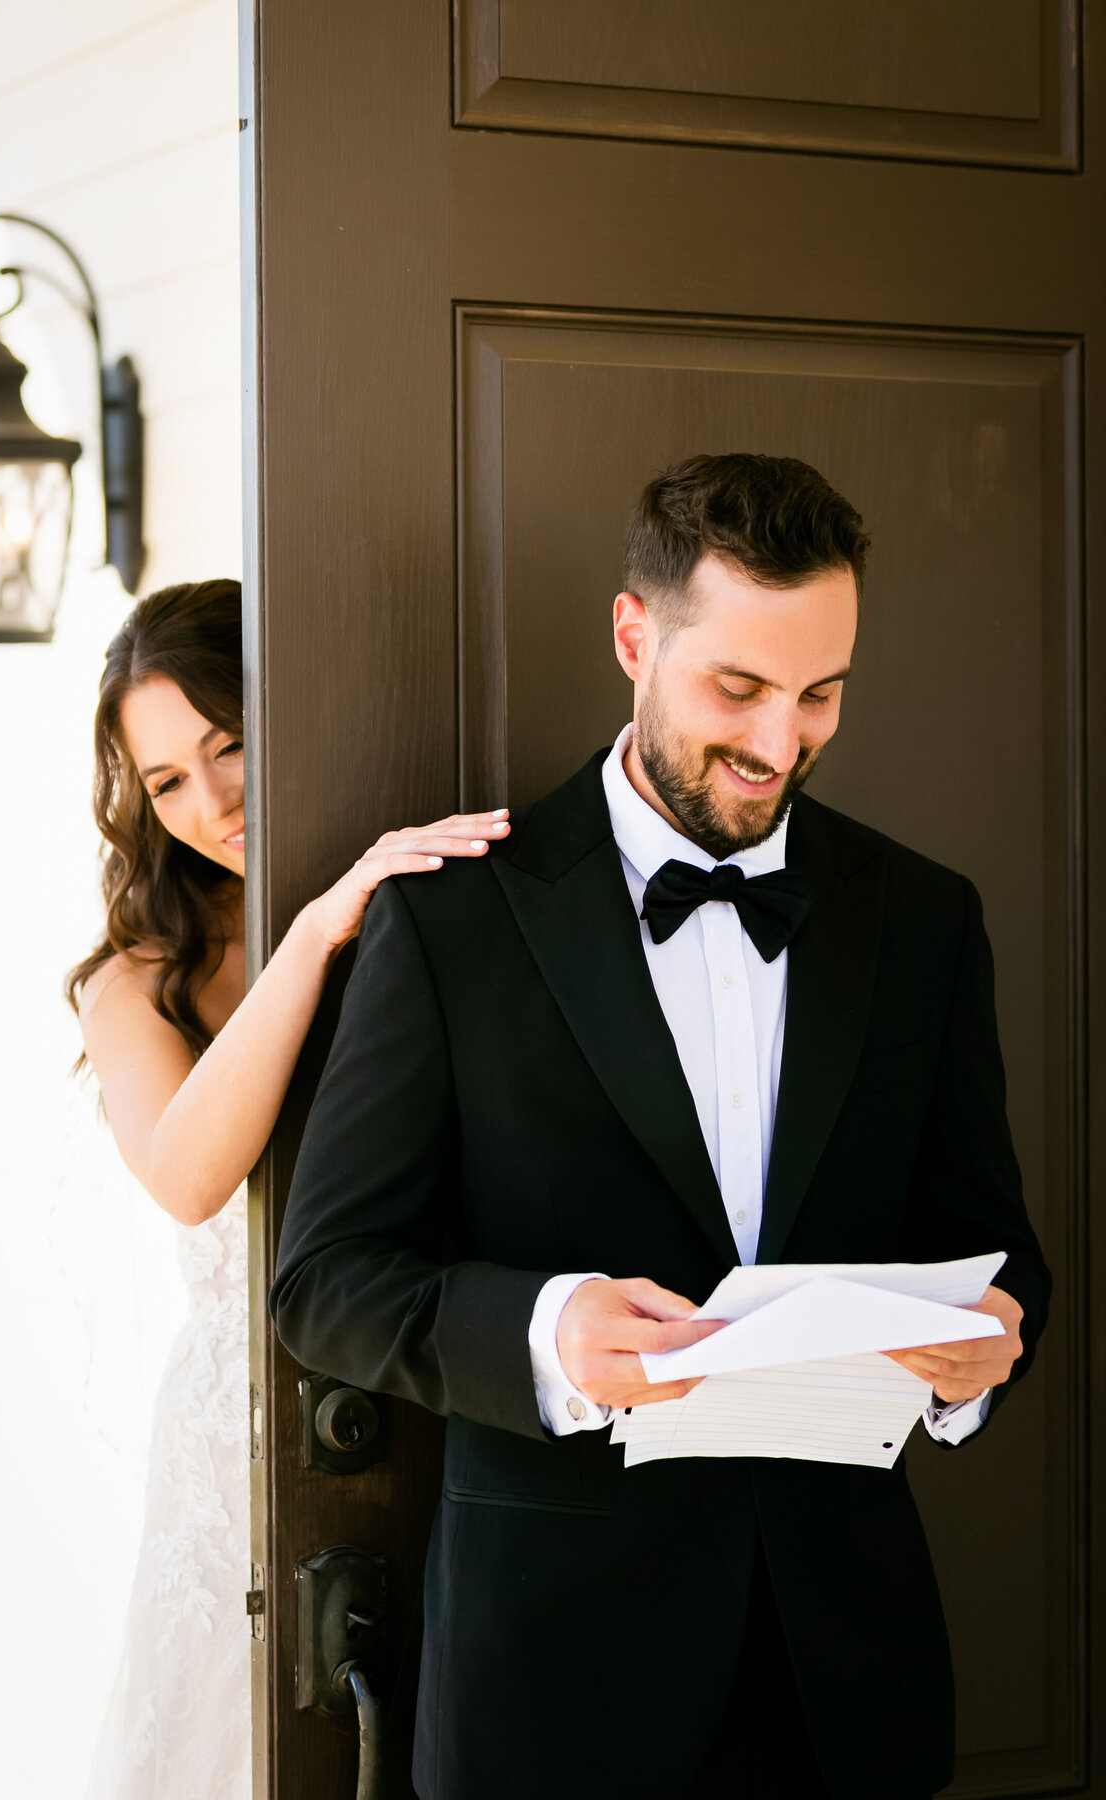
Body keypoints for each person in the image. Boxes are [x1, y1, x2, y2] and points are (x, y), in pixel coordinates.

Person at [270, 454, 1051, 1800]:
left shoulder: (924, 920)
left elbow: (994, 1252)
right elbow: (324, 1285)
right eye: (737, 688)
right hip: (552, 1686)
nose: (779, 743)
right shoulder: (456, 918)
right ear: (635, 636)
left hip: (847, 1689)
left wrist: (986, 1357)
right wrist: (546, 1332)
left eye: (822, 695)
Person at [65, 578, 510, 1800]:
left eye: (231, 744)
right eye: (166, 782)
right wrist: (311, 932)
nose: (212, 802)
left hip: (437, 1377)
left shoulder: (415, 903)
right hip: (240, 1444)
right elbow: (189, 1177)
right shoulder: (135, 982)